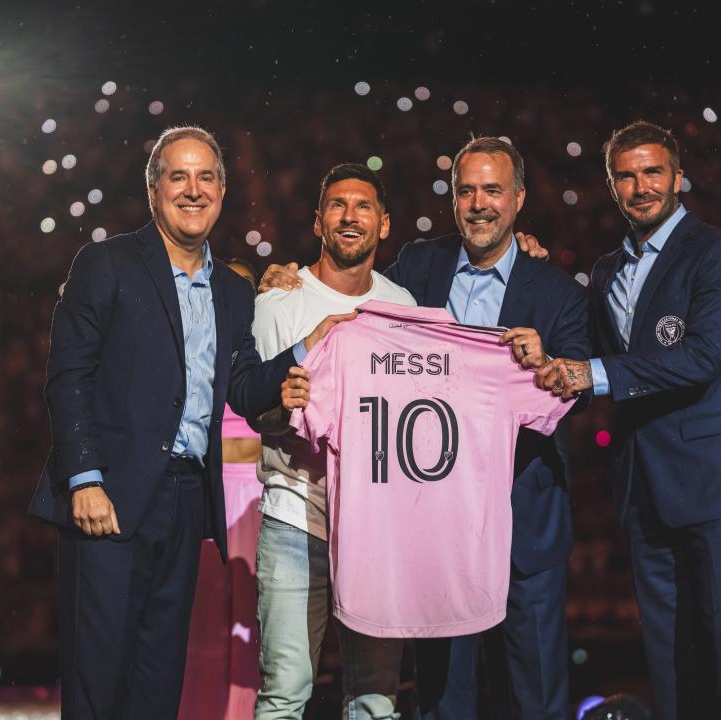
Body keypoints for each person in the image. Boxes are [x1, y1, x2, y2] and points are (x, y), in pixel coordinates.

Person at [261, 137, 591, 719]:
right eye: (467, 191)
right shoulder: (416, 269)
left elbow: (577, 391)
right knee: (442, 702)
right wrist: (290, 276)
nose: (480, 203)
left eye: (493, 190)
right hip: (433, 532)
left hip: (525, 531)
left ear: (518, 198)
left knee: (536, 699)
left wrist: (548, 367)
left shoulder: (560, 293)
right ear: (452, 199)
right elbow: (349, 281)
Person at [28, 126, 346, 720]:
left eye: (206, 178)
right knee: (97, 677)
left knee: (157, 678)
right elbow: (67, 377)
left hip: (185, 501)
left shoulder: (231, 290)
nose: (193, 190)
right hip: (109, 498)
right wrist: (84, 480)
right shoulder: (107, 263)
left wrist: (303, 350)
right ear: (153, 191)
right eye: (179, 176)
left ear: (223, 191)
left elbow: (246, 387)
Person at [537, 120, 721, 720]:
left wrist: (591, 374)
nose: (641, 186)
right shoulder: (604, 271)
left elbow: (702, 359)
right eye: (626, 175)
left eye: (653, 172)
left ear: (679, 177)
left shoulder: (718, 252)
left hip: (719, 485)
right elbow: (583, 350)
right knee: (670, 664)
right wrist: (530, 261)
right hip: (644, 488)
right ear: (611, 186)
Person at [252, 163, 416, 720]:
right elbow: (255, 406)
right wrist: (282, 403)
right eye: (338, 206)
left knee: (375, 702)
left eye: (363, 206)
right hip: (296, 518)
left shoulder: (406, 308)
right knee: (284, 696)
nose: (351, 216)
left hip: (377, 528)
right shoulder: (277, 305)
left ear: (385, 224)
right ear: (318, 221)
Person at [178, 257, 265, 720]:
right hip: (208, 488)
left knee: (248, 622)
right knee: (203, 619)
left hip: (255, 494)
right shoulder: (195, 343)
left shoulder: (263, 344)